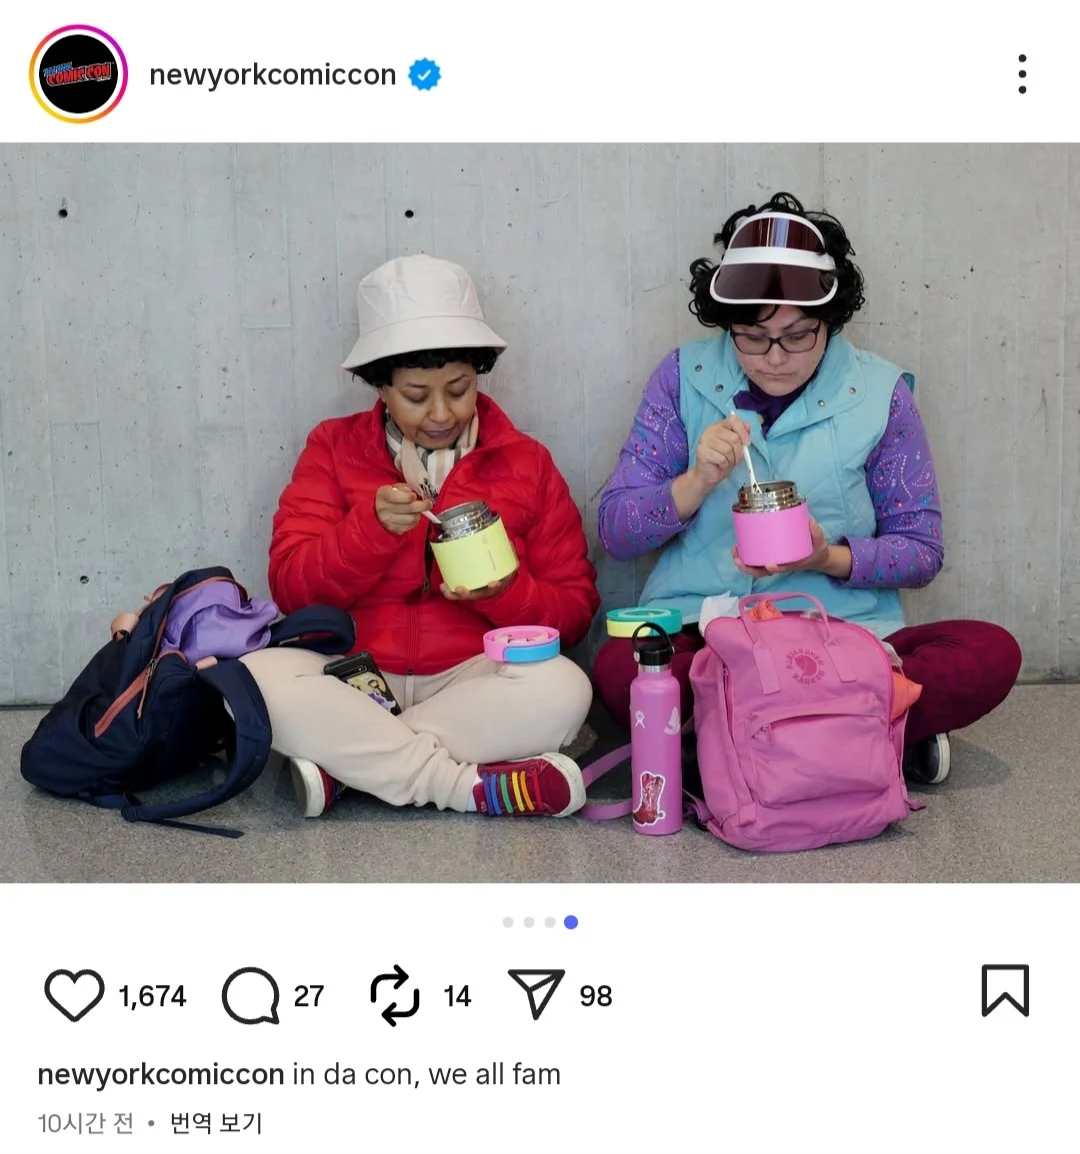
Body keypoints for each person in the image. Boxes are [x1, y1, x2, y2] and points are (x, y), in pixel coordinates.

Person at [593, 193, 1022, 784]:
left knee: (990, 652)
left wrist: (825, 557)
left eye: (798, 336)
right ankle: (860, 733)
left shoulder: (880, 392)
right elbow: (617, 533)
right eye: (752, 336)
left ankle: (734, 744)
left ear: (832, 319)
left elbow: (921, 552)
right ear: (726, 322)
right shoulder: (683, 377)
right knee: (622, 669)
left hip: (839, 637)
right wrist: (695, 482)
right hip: (707, 629)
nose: (774, 358)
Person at [240, 253, 599, 817]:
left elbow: (574, 612)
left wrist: (504, 592)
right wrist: (369, 530)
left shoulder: (526, 462)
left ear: (478, 374)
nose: (440, 413)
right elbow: (291, 588)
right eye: (415, 395)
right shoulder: (332, 448)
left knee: (564, 687)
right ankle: (461, 787)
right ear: (380, 386)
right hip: (353, 674)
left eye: (459, 389)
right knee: (253, 677)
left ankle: (352, 768)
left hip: (472, 677)